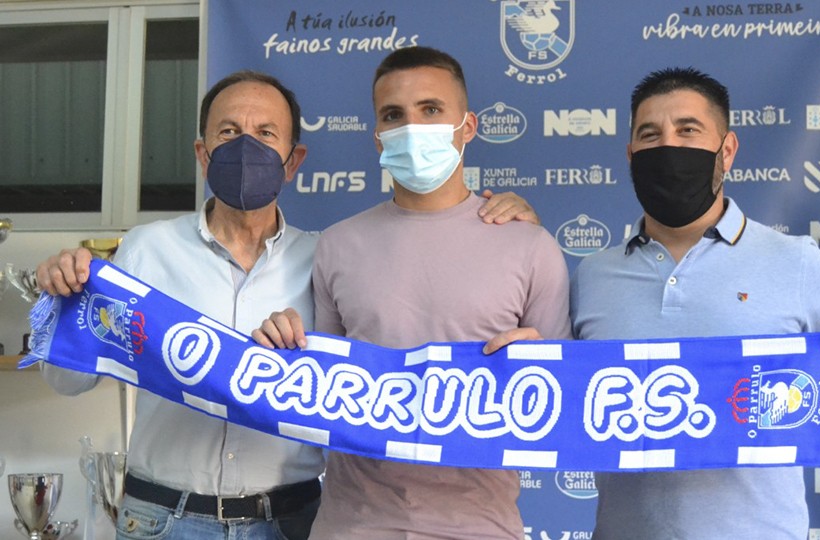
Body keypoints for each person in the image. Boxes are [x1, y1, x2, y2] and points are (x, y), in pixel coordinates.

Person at [35, 70, 539, 540]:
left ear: (293, 160)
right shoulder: (146, 248)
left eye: (266, 134)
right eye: (228, 132)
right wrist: (63, 300)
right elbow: (69, 379)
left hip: (290, 519)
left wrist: (495, 223)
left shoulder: (328, 257)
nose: (246, 146)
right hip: (163, 517)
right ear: (203, 152)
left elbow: (389, 363)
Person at [569, 67, 820, 540]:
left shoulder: (796, 262)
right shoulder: (592, 275)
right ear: (630, 154)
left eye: (688, 130)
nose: (668, 147)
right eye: (649, 135)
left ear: (728, 151)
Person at [254, 46, 572, 539]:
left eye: (430, 109)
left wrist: (543, 372)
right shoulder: (337, 245)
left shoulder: (531, 247)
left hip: (479, 526)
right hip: (352, 525)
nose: (412, 127)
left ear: (467, 126)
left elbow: (564, 408)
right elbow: (324, 389)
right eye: (393, 115)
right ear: (379, 139)